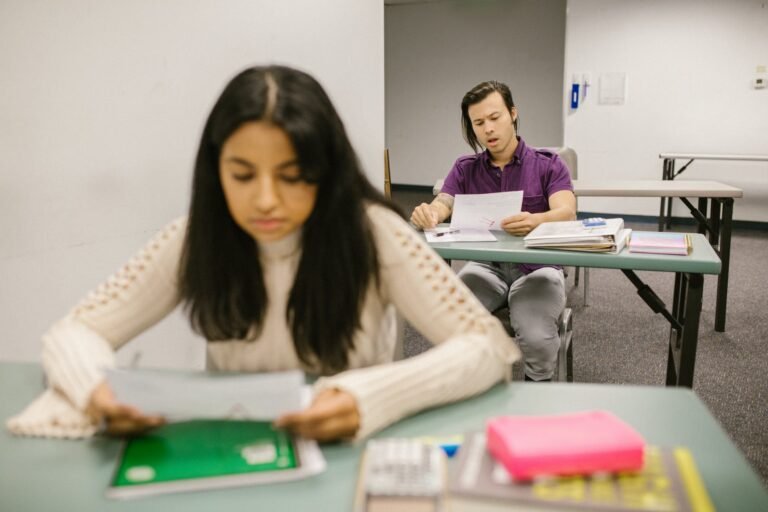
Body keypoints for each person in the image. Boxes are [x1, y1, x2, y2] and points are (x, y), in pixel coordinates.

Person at [7, 66, 520, 442]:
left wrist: (370, 396)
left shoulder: (373, 235)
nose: (267, 200)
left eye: (293, 176)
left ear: (327, 169)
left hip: (346, 453)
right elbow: (75, 331)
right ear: (216, 171)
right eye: (243, 175)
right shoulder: (195, 237)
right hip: (239, 450)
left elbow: (485, 346)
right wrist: (96, 390)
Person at [410, 80, 576, 382]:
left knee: (537, 339)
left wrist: (536, 220)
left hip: (538, 268)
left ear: (513, 113)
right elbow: (443, 204)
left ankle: (535, 399)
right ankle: (473, 391)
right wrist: (430, 213)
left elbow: (566, 211)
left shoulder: (549, 165)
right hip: (486, 268)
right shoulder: (464, 168)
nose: (488, 129)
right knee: (449, 325)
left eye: (495, 118)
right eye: (479, 123)